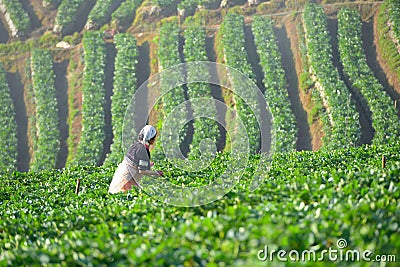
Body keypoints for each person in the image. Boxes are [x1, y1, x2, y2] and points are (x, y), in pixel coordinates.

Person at [108, 125, 163, 194]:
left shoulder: (136, 145)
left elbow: (135, 163)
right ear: (151, 139)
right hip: (127, 181)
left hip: (122, 175)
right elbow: (142, 171)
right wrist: (156, 173)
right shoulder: (143, 151)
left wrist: (147, 165)